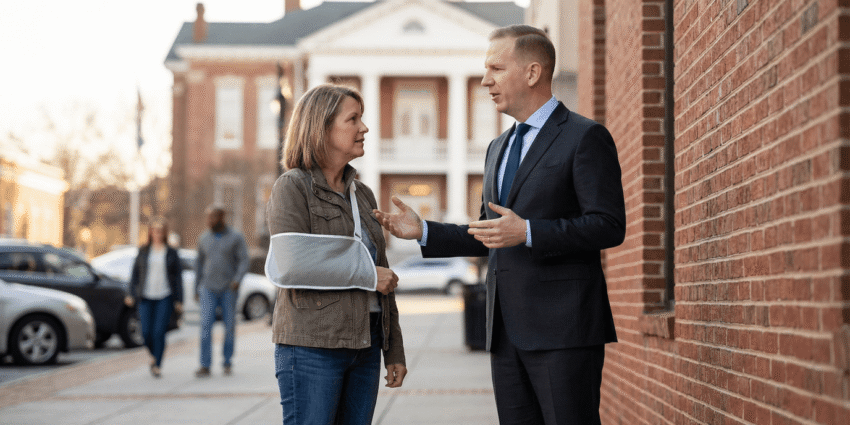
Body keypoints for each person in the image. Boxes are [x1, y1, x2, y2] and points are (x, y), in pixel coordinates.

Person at [374, 25, 626, 425]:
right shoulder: (498, 147)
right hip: (504, 333)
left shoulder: (585, 137)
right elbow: (490, 233)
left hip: (564, 333)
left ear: (532, 72)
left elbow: (609, 225)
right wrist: (424, 231)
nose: (485, 80)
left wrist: (528, 232)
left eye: (496, 68)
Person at [266, 84, 406, 425]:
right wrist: (369, 275)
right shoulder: (293, 187)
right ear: (322, 127)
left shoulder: (364, 195)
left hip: (366, 345)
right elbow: (291, 264)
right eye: (353, 119)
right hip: (312, 345)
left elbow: (382, 271)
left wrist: (394, 350)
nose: (364, 128)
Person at [194, 206, 249, 377]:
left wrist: (237, 280)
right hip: (208, 288)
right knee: (205, 327)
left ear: (222, 217)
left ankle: (227, 361)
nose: (209, 221)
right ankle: (205, 364)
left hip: (228, 289)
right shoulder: (203, 238)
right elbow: (198, 265)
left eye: (213, 217)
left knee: (229, 326)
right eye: (208, 217)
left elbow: (244, 260)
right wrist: (196, 288)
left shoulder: (236, 237)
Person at [127, 219, 184, 378]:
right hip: (145, 296)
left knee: (159, 332)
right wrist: (131, 293)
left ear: (164, 233)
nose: (157, 233)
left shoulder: (171, 252)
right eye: (155, 230)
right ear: (150, 232)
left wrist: (179, 300)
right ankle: (153, 355)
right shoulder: (143, 251)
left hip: (165, 296)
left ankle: (157, 364)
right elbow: (135, 274)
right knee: (145, 332)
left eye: (161, 231)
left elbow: (177, 277)